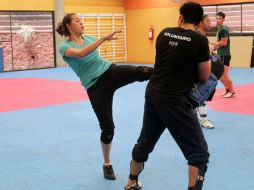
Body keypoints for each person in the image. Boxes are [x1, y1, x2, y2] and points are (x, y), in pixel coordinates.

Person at [56, 13, 153, 180]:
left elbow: (91, 51)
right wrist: (102, 39)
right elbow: (81, 54)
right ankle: (107, 163)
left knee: (142, 71)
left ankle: (176, 77)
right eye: (77, 21)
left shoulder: (90, 38)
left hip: (110, 71)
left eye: (81, 20)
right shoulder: (64, 47)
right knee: (108, 128)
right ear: (69, 26)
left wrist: (99, 40)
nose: (81, 23)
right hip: (95, 86)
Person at [124, 2, 210, 190]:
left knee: (145, 141)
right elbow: (204, 76)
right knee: (199, 154)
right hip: (174, 100)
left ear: (181, 17)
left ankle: (131, 182)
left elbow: (170, 61)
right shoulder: (200, 40)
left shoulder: (164, 33)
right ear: (199, 21)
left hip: (153, 94)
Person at [196, 15, 215, 129]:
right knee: (199, 94)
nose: (210, 23)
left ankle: (201, 118)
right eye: (207, 21)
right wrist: (210, 50)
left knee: (201, 94)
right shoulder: (197, 35)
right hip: (197, 71)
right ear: (201, 22)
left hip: (203, 69)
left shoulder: (203, 36)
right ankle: (203, 119)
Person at [214, 12, 236, 98]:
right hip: (220, 54)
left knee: (225, 75)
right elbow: (221, 42)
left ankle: (232, 91)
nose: (218, 20)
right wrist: (215, 46)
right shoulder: (220, 29)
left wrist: (214, 45)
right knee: (219, 75)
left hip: (225, 55)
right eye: (217, 18)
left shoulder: (224, 29)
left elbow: (224, 42)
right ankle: (227, 89)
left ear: (223, 19)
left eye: (220, 18)